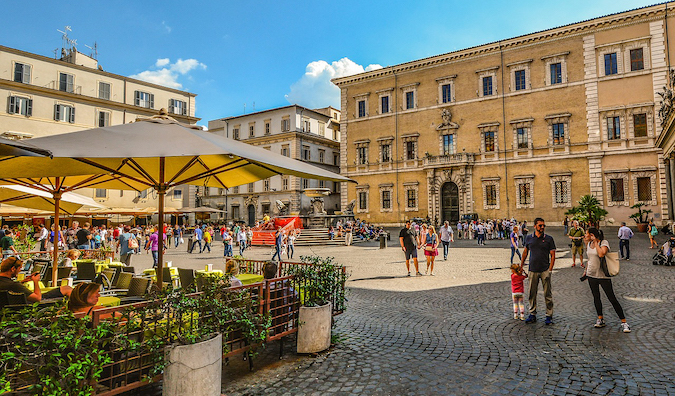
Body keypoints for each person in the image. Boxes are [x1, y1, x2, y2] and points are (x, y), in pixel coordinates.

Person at [583, 228, 631, 333]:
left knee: (612, 298)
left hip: (603, 275)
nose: (584, 235)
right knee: (596, 297)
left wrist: (596, 243)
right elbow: (590, 259)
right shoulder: (588, 244)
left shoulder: (604, 243)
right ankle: (600, 318)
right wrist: (585, 271)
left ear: (592, 235)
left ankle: (624, 322)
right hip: (591, 275)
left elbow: (601, 254)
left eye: (586, 234)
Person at [520, 217, 556, 325]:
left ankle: (549, 315)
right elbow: (525, 252)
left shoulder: (549, 239)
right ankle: (532, 313)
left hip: (545, 269)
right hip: (532, 269)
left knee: (547, 294)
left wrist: (550, 270)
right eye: (540, 225)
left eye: (543, 225)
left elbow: (553, 255)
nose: (542, 227)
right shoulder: (529, 238)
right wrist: (521, 266)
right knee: (532, 293)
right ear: (535, 226)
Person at [0, 257, 72, 302]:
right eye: (19, 269)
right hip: (34, 305)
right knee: (67, 289)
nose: (19, 271)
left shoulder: (8, 284)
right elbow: (38, 298)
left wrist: (22, 282)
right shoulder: (14, 285)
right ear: (13, 269)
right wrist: (36, 281)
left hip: (9, 309)